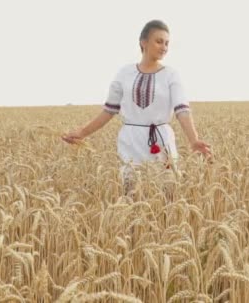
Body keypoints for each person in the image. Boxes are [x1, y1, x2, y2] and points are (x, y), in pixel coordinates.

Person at [62, 20, 211, 196]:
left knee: (167, 193)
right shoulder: (124, 73)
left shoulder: (171, 75)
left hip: (161, 141)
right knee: (132, 192)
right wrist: (82, 132)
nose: (164, 47)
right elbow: (109, 111)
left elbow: (182, 110)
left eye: (167, 43)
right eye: (159, 41)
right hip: (130, 141)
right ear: (143, 42)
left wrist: (194, 140)